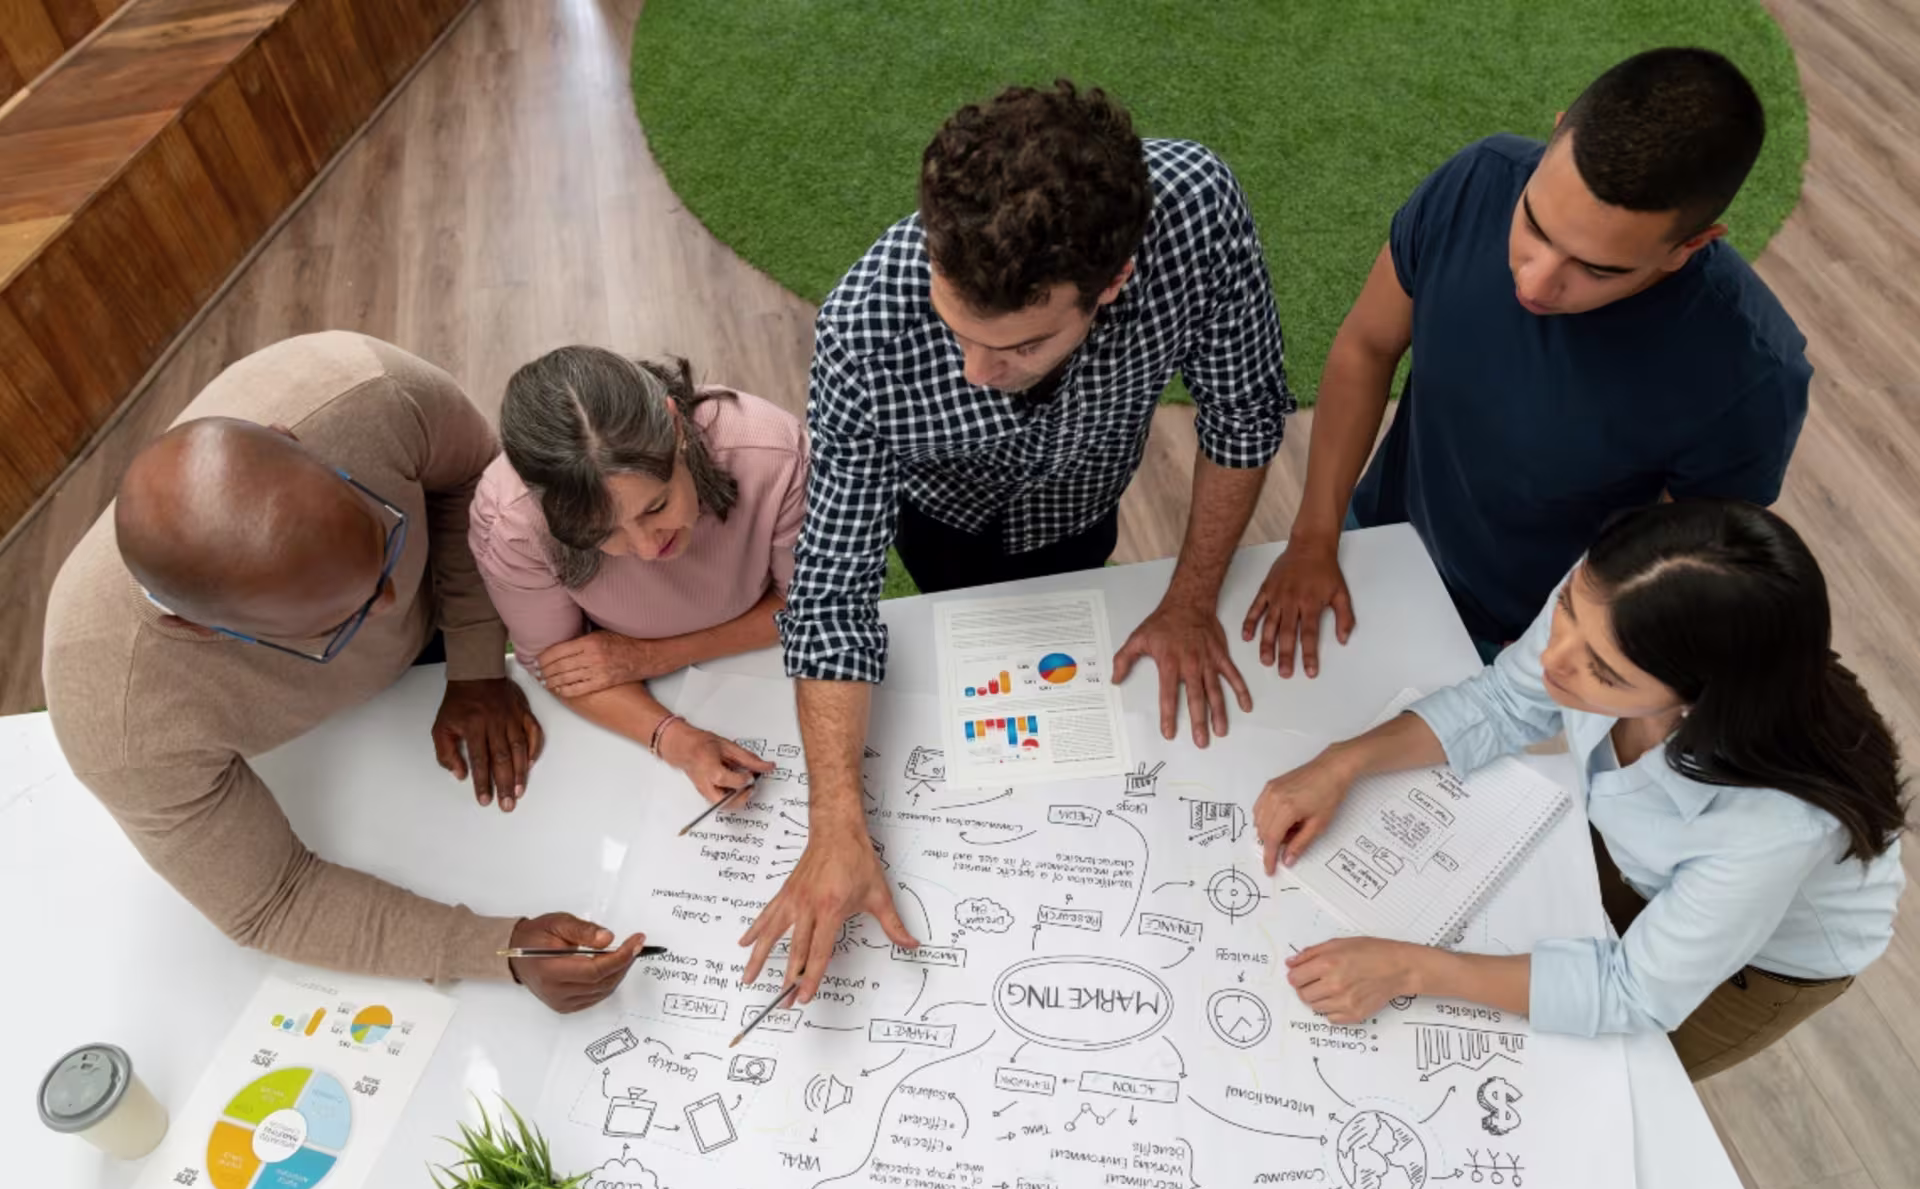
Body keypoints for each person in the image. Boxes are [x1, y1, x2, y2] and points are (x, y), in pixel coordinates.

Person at [753, 80, 1296, 1002]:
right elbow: (835, 594)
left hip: (1083, 509)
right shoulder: (864, 324)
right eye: (955, 328)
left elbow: (1243, 414)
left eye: (1019, 347)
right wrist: (836, 819)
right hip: (940, 519)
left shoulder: (1198, 210)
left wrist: (1191, 598)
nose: (975, 372)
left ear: (1113, 282)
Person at [43, 333, 642, 1013]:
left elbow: (476, 483)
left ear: (291, 440)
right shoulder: (120, 724)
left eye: (381, 537)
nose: (393, 602)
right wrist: (498, 950)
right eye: (338, 622)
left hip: (464, 602)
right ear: (199, 631)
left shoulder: (368, 390)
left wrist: (474, 662)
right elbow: (273, 900)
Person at [1254, 500, 1906, 1081]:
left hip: (1761, 963)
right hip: (1637, 848)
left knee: (1612, 1080)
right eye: (1565, 612)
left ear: (1700, 698)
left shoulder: (1774, 828)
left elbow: (1633, 994)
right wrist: (1344, 763)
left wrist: (1410, 969)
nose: (1552, 659)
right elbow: (1506, 701)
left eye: (1603, 672)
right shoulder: (1613, 598)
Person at [1244, 47, 1810, 675]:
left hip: (1536, 642)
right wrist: (1314, 536)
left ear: (1691, 245)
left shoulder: (1752, 375)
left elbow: (1682, 558)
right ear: (1555, 134)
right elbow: (1366, 347)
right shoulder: (1476, 179)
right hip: (1376, 544)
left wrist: (1570, 643)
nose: (1535, 283)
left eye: (1597, 269)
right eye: (1536, 225)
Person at [469, 347, 807, 800]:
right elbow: (562, 668)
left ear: (675, 427)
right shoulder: (511, 521)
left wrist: (654, 656)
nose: (648, 549)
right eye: (602, 533)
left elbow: (814, 605)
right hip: (635, 698)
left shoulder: (771, 452)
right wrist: (676, 740)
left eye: (657, 506)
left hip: (772, 662)